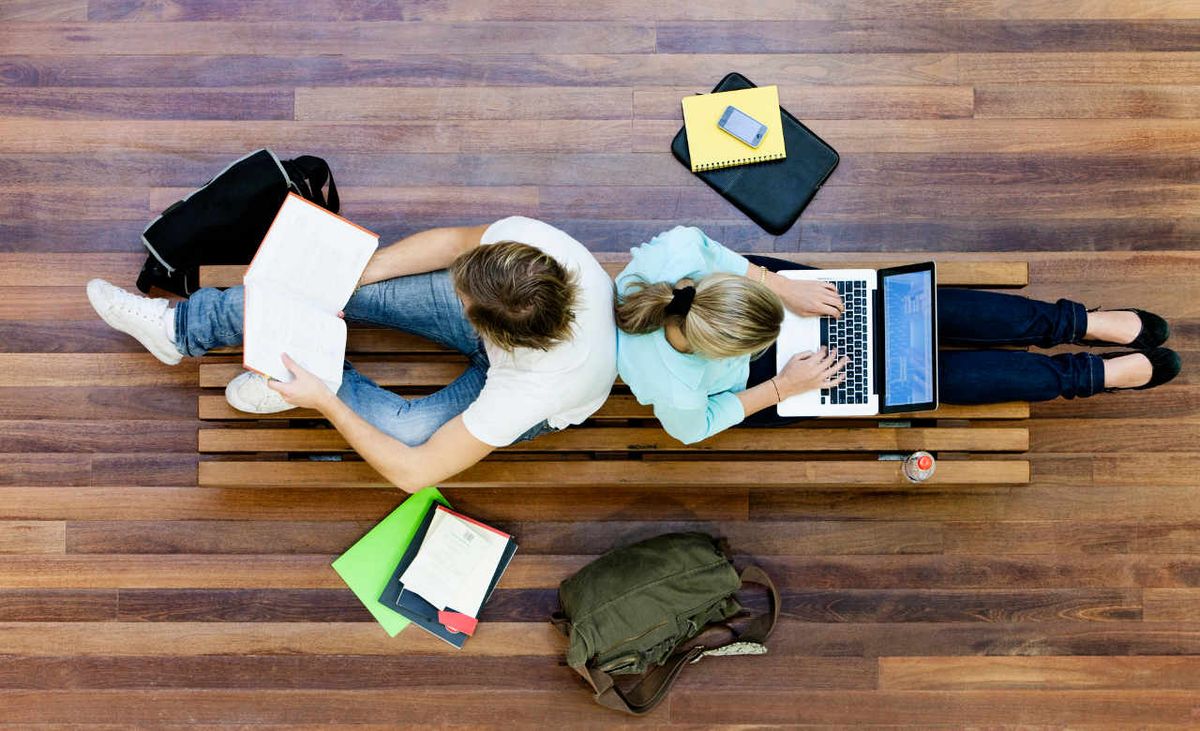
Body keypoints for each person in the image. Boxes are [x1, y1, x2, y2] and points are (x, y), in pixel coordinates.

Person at [87, 217, 617, 491]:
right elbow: (456, 240)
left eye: (462, 297)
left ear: (485, 325)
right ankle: (178, 329)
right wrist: (357, 276)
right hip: (519, 332)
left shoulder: (532, 389)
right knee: (330, 286)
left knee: (408, 433)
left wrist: (327, 402)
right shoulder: (531, 250)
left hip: (535, 392)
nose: (451, 289)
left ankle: (311, 383)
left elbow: (416, 471)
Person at [615, 226, 1181, 445]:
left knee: (912, 313)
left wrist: (784, 290)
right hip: (767, 380)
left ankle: (1074, 322)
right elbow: (696, 428)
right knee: (911, 378)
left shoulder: (675, 259)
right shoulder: (673, 387)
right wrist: (784, 387)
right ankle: (1083, 376)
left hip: (770, 293)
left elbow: (717, 255)